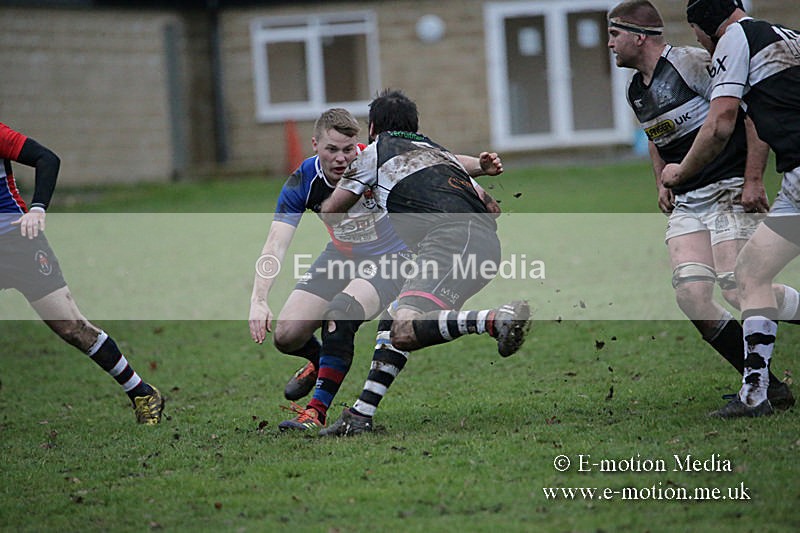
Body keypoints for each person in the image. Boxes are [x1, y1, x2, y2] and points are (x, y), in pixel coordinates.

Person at [248, 108, 504, 430]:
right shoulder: (303, 180)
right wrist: (259, 299)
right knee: (287, 335)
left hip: (393, 257)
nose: (341, 159)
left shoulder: (373, 159)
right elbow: (275, 243)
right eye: (332, 150)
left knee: (340, 315)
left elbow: (434, 158)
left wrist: (479, 169)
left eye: (348, 149)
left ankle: (316, 411)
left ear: (358, 144)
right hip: (341, 256)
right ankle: (321, 360)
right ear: (315, 145)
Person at [607, 1, 795, 412]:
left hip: (727, 188)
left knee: (736, 286)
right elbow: (657, 138)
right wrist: (661, 181)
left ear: (638, 36)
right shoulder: (634, 88)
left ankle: (758, 385)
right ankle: (767, 386)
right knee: (692, 296)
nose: (610, 44)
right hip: (689, 200)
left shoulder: (692, 63)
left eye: (614, 35)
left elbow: (747, 115)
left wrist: (751, 179)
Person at [318, 89, 531, 436]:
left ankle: (494, 320)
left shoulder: (374, 153)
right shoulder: (440, 154)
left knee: (404, 329)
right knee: (395, 319)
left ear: (373, 128)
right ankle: (360, 415)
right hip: (484, 246)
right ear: (414, 127)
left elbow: (331, 210)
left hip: (448, 242)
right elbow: (492, 206)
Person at [661, 0, 800, 418]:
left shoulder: (733, 40)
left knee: (748, 276)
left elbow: (721, 122)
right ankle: (756, 391)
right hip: (794, 179)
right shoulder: (786, 36)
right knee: (750, 275)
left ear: (702, 25)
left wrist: (681, 171)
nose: (699, 44)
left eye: (695, 32)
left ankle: (755, 394)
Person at [0, 121, 164, 424]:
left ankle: (141, 392)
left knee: (71, 328)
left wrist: (37, 208)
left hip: (17, 243)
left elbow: (47, 159)